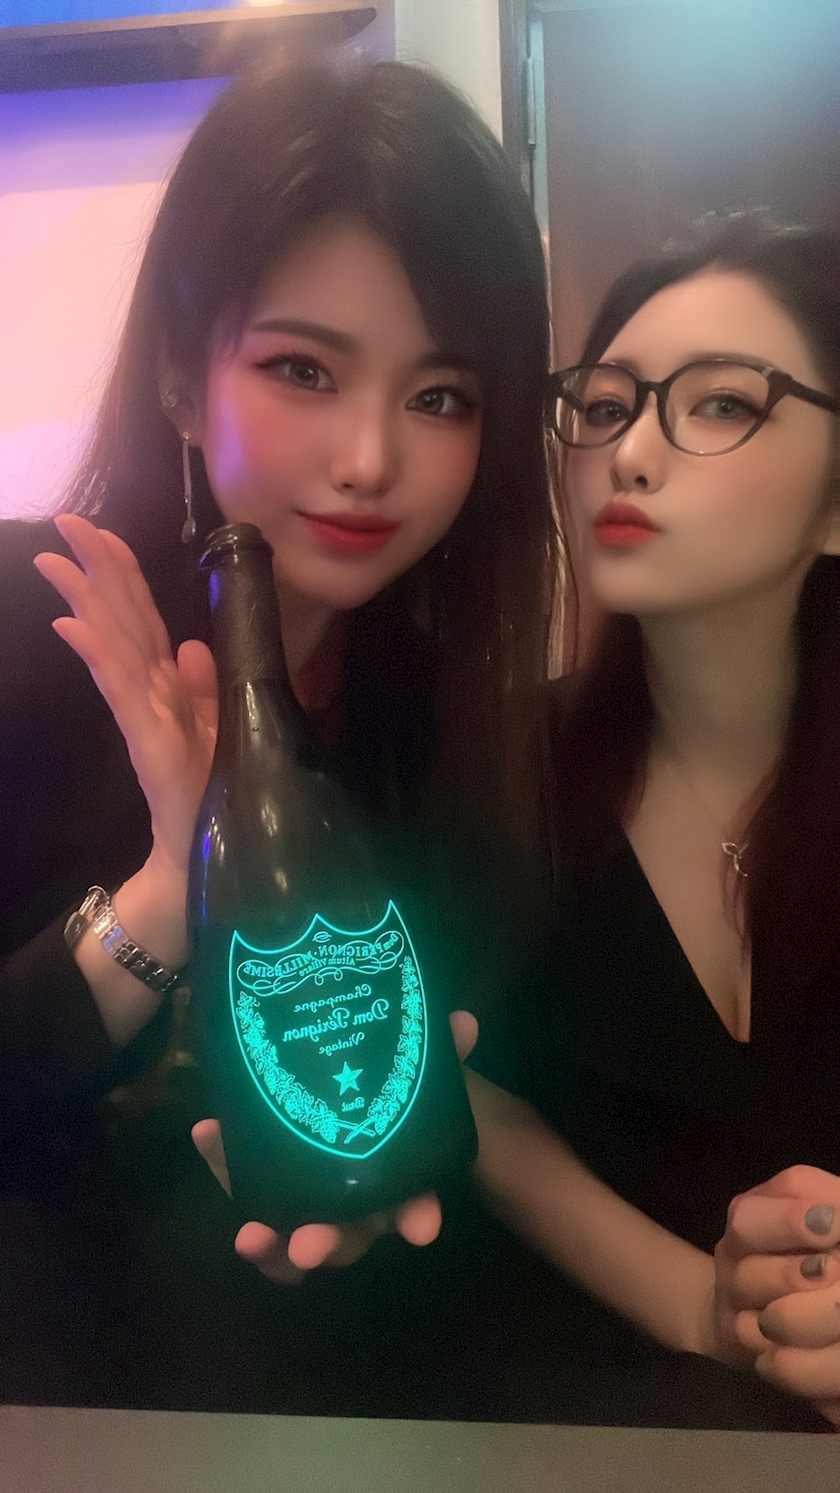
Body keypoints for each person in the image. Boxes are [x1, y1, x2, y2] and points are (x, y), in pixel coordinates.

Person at [0, 55, 560, 1415]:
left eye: (441, 395)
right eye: (303, 369)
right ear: (182, 379)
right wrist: (168, 890)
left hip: (341, 1390)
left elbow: (417, 1109)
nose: (370, 457)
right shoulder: (32, 621)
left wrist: (379, 1179)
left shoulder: (441, 718)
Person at [465, 212, 840, 1431]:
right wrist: (700, 1305)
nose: (629, 453)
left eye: (723, 403)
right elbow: (463, 1092)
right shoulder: (495, 773)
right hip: (583, 1414)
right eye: (608, 403)